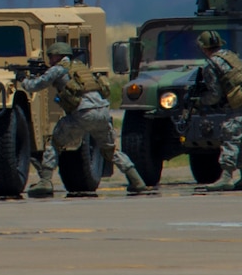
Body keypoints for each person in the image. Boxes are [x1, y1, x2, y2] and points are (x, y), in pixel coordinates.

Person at [21, 42, 152, 197]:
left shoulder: (58, 69)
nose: (50, 60)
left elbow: (35, 85)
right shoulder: (80, 67)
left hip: (83, 113)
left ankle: (45, 181)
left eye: (51, 56)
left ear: (58, 55)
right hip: (102, 112)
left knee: (54, 143)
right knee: (111, 150)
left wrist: (23, 80)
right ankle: (137, 181)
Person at [195, 30, 242, 191]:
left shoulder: (210, 65)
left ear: (204, 48)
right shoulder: (229, 55)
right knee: (239, 138)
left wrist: (200, 101)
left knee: (229, 135)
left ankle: (227, 176)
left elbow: (215, 95)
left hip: (239, 104)